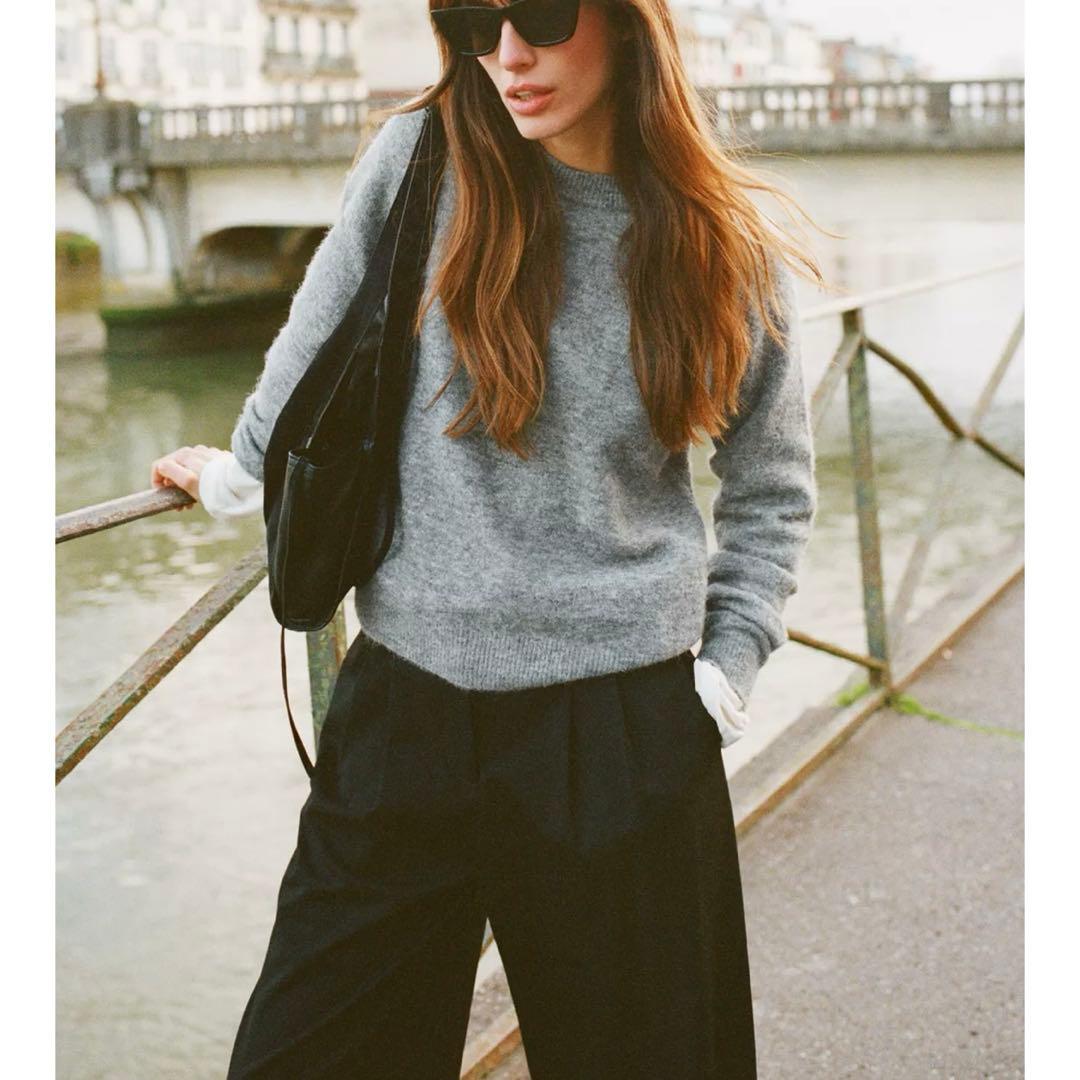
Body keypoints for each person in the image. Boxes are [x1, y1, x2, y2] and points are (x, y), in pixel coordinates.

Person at [151, 2, 827, 1076]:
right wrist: (237, 475)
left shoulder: (719, 238)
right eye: (473, 19)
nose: (508, 55)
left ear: (628, 22)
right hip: (406, 709)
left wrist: (724, 675)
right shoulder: (422, 159)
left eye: (543, 14)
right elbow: (315, 344)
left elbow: (772, 485)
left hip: (622, 730)